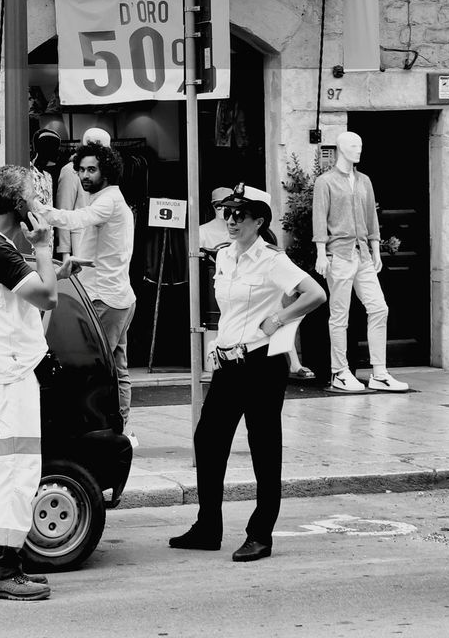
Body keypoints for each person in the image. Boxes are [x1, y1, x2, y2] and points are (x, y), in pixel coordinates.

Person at [169, 183, 326, 562]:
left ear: (259, 221)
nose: (231, 220)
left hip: (261, 364)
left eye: (241, 214)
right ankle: (208, 526)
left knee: (264, 448)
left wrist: (279, 317)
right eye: (228, 212)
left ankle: (260, 534)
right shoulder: (224, 256)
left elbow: (315, 294)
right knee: (208, 441)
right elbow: (229, 312)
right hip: (229, 362)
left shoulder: (272, 260)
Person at [0, 165, 79, 601]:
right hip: (9, 377)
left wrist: (49, 267)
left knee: (4, 471)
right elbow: (47, 296)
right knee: (14, 473)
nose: (41, 204)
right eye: (35, 196)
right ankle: (0, 570)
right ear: (18, 206)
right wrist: (45, 248)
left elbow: (27, 285)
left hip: (1, 374)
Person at [43, 141, 137, 444]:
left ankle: (110, 434)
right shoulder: (108, 200)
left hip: (105, 299)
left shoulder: (108, 201)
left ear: (106, 171)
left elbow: (74, 219)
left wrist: (36, 208)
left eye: (91, 169)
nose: (84, 175)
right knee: (116, 368)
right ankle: (120, 429)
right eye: (81, 169)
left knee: (97, 370)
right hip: (118, 296)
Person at [313, 131, 408, 393]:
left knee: (379, 308)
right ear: (341, 148)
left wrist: (376, 249)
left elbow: (371, 217)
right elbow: (320, 218)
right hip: (339, 254)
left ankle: (379, 372)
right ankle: (339, 371)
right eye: (354, 145)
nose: (359, 149)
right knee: (339, 315)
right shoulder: (326, 182)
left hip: (363, 254)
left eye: (361, 145)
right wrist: (321, 252)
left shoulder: (364, 180)